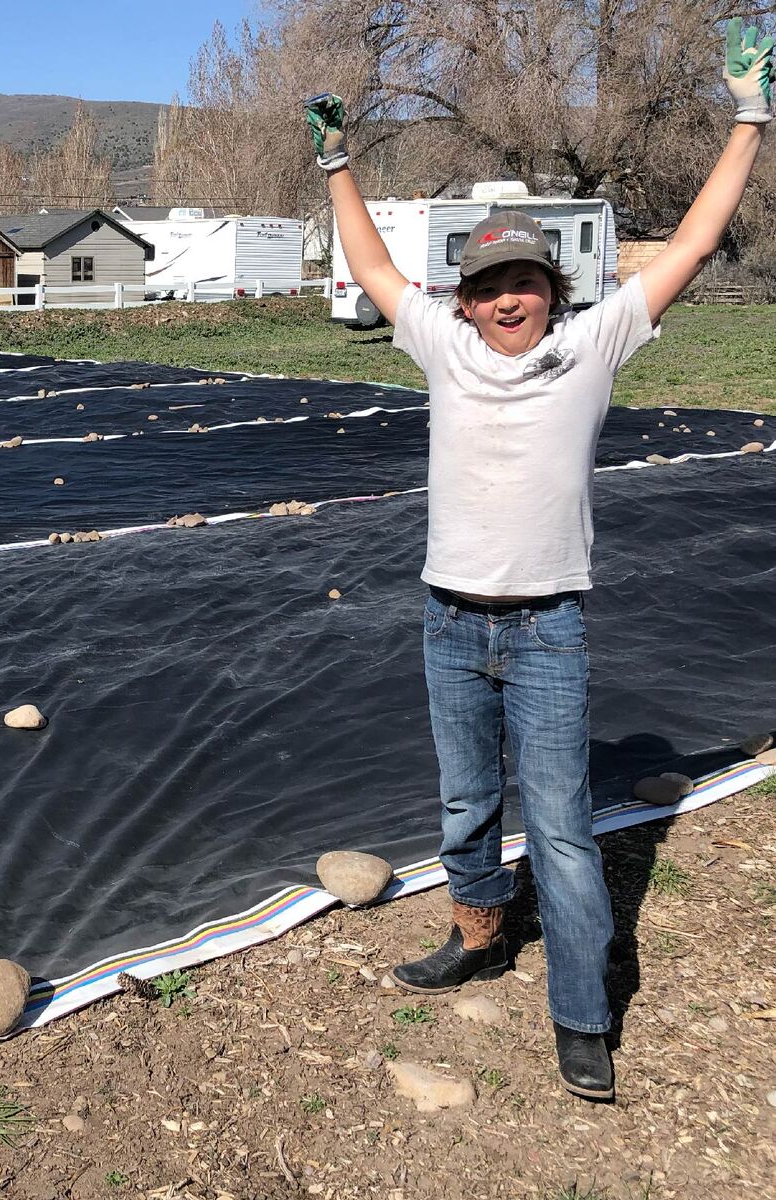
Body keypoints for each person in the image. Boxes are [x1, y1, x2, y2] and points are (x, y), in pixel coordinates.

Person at [303, 17, 771, 1101]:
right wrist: (336, 167)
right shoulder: (440, 345)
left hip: (546, 624)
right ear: (461, 299)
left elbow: (693, 242)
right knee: (465, 801)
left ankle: (579, 1011)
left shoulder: (593, 343)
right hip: (446, 621)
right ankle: (475, 932)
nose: (504, 298)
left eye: (521, 280)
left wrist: (748, 116)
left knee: (557, 827)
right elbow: (370, 262)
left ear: (551, 289)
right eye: (484, 285)